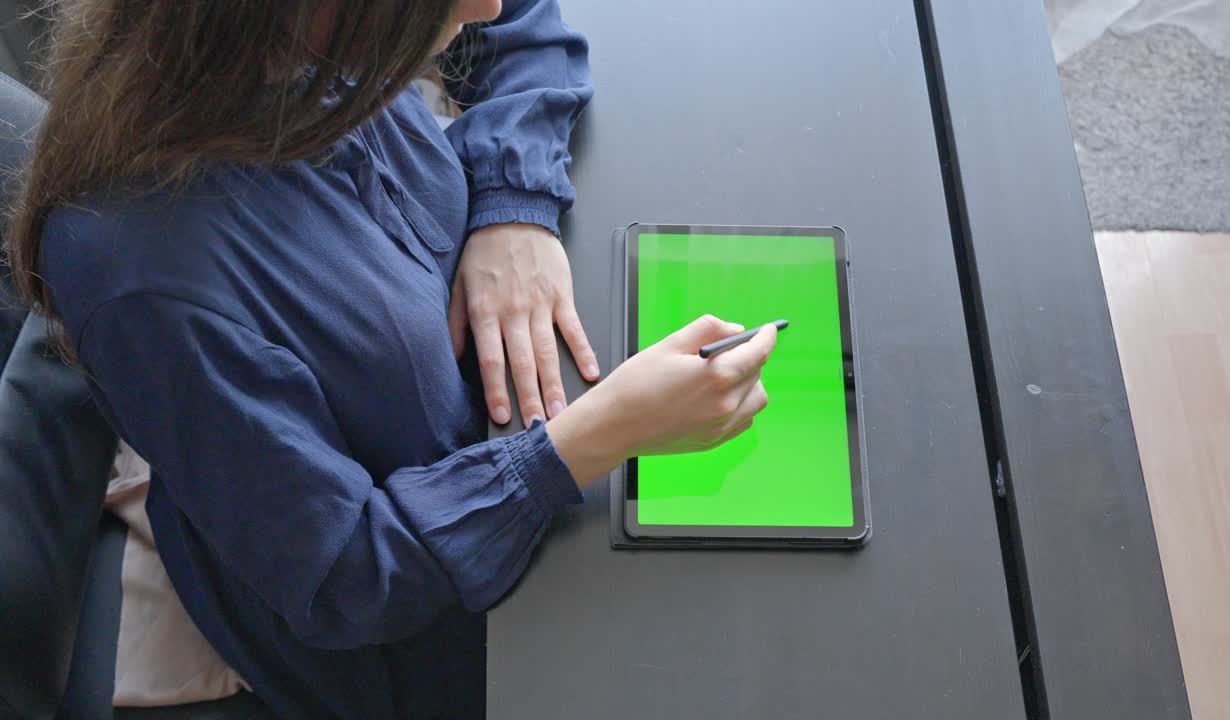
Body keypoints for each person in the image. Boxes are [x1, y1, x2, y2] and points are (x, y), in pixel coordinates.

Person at [4, 0, 775, 717]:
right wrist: (597, 439)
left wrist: (513, 208)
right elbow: (346, 579)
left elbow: (522, 17)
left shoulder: (297, 44)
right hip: (403, 621)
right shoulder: (148, 278)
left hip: (520, 463)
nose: (486, 6)